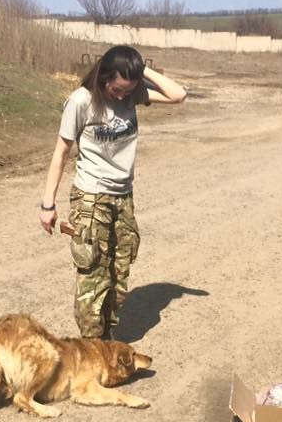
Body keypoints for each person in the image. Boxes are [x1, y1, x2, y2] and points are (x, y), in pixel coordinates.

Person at [39, 45, 187, 339]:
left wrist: (140, 72)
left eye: (127, 90)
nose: (121, 95)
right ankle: (91, 348)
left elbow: (178, 95)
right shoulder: (81, 101)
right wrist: (47, 204)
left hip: (123, 197)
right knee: (93, 276)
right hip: (91, 199)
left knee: (119, 274)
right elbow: (61, 153)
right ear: (104, 76)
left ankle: (106, 340)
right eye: (117, 88)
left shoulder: (132, 93)